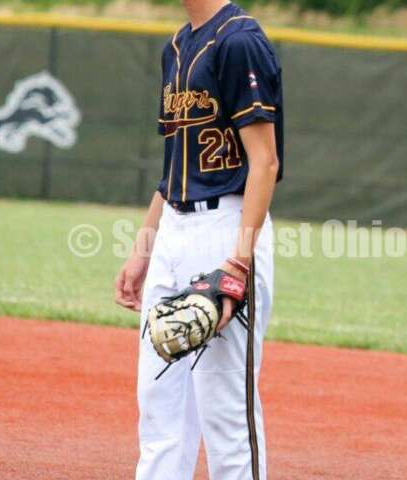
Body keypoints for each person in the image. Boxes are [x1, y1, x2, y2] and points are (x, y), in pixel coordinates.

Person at [114, 0, 282, 478]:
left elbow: (264, 162)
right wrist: (143, 247)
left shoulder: (240, 40)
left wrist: (240, 262)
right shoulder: (178, 45)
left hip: (226, 227)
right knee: (159, 409)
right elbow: (173, 167)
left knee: (226, 410)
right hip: (174, 228)